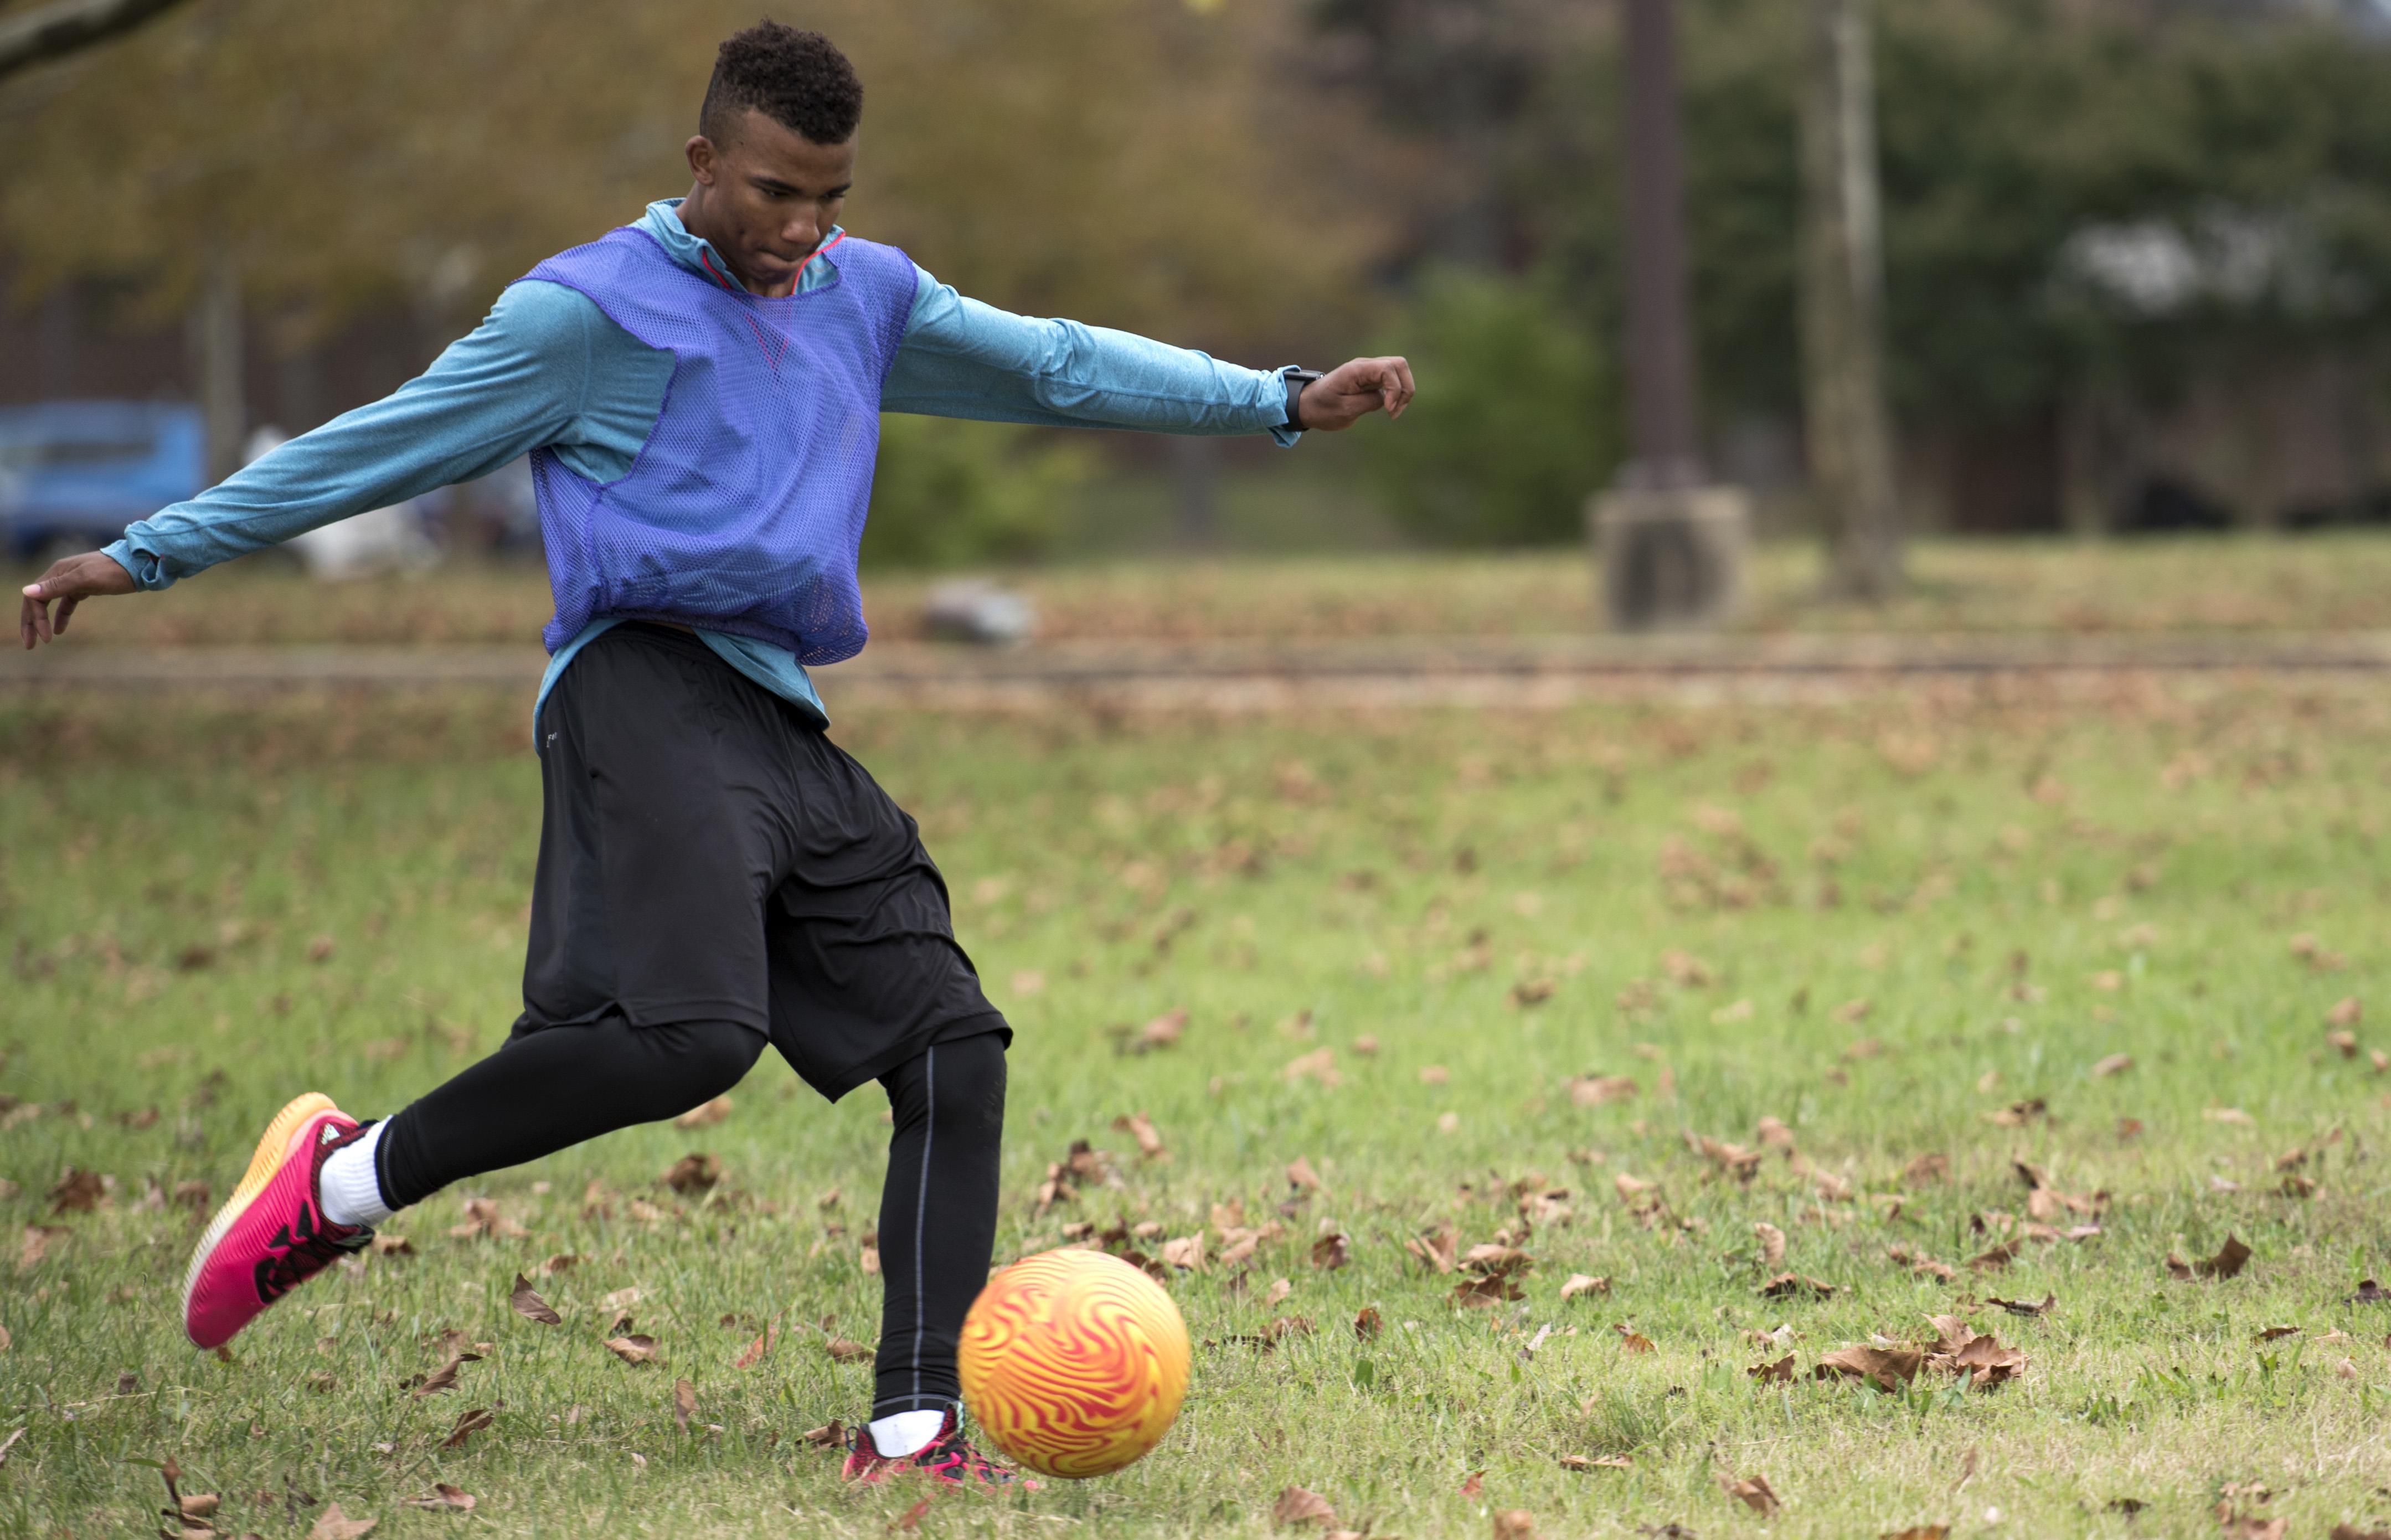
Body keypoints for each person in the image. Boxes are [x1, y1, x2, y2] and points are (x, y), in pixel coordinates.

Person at [16, 22, 1411, 1490]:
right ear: (700, 164)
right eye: (771, 194)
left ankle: (913, 1429)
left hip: (772, 708)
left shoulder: (862, 297)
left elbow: (1054, 367)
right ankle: (341, 1183)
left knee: (952, 1045)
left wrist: (1275, 399)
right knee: (693, 1033)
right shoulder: (583, 317)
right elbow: (381, 444)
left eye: (829, 198)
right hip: (632, 682)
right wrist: (148, 555)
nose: (800, 231)